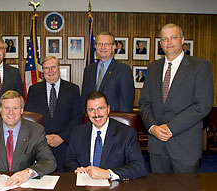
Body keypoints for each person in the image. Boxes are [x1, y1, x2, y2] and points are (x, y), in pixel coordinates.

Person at [139, 23, 213, 173]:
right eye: (165, 39)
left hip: (185, 146)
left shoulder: (200, 66)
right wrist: (152, 127)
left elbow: (202, 105)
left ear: (182, 40)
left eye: (173, 37)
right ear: (161, 44)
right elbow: (144, 103)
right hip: (157, 146)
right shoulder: (152, 68)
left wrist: (170, 127)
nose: (169, 42)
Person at [65, 91, 147, 180]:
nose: (96, 114)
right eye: (91, 110)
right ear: (87, 112)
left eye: (100, 108)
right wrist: (77, 169)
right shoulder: (78, 132)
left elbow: (139, 167)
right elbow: (69, 160)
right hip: (84, 184)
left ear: (108, 109)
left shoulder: (126, 134)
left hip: (114, 188)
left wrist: (108, 174)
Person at [25, 56, 81, 172]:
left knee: (64, 183)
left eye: (53, 67)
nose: (50, 71)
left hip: (65, 145)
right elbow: (30, 119)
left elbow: (76, 118)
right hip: (41, 145)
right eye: (46, 68)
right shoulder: (34, 90)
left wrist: (62, 137)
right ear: (42, 71)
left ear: (59, 68)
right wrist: (43, 138)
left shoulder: (73, 89)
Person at [81, 32, 135, 113]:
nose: (103, 47)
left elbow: (126, 104)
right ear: (95, 46)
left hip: (114, 121)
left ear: (113, 47)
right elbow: (84, 100)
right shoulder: (89, 70)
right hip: (91, 121)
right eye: (100, 44)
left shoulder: (123, 70)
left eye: (107, 44)